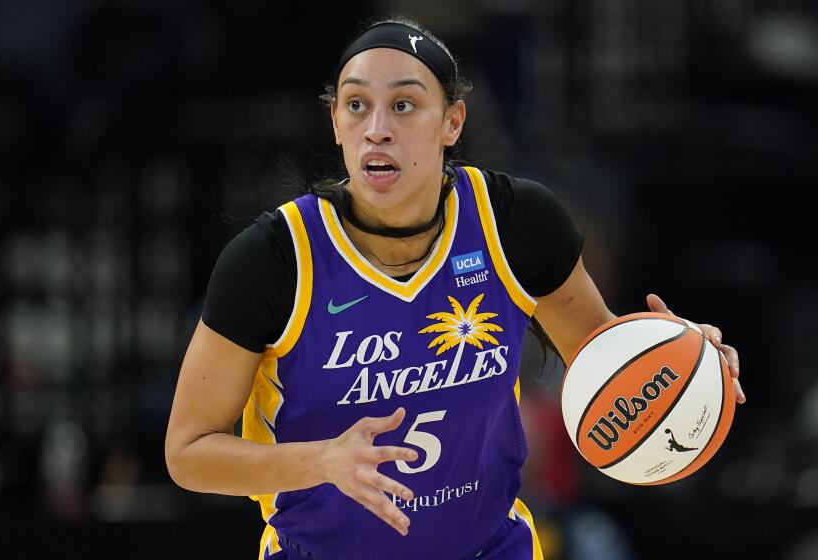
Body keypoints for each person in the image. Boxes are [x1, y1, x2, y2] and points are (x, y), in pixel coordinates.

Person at [164, 16, 746, 560]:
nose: (378, 129)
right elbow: (189, 453)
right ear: (336, 122)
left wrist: (686, 366)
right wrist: (320, 461)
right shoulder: (275, 260)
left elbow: (604, 367)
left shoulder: (514, 222)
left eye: (404, 105)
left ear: (453, 122)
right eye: (357, 105)